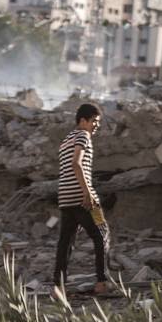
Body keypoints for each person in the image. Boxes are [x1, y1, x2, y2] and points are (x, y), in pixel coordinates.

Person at [53, 103, 110, 295]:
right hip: (83, 197)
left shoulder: (65, 140)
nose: (96, 126)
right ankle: (102, 283)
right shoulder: (82, 136)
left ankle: (58, 287)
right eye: (94, 121)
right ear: (82, 120)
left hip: (66, 198)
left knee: (66, 243)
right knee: (102, 234)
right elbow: (76, 164)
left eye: (98, 122)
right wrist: (87, 193)